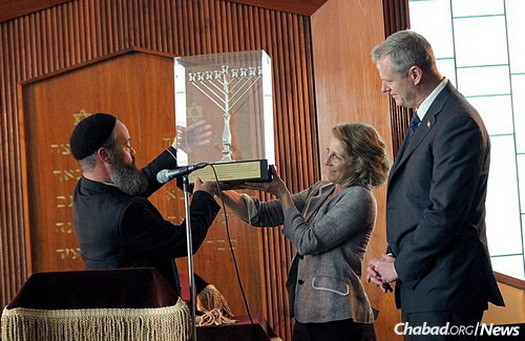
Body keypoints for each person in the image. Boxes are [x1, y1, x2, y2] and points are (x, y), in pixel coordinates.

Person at [366, 30, 505, 339]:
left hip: (446, 289)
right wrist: (393, 257)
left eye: (388, 79)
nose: (383, 88)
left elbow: (444, 213)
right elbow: (414, 202)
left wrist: (400, 267)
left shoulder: (457, 122)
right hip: (428, 286)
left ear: (414, 74)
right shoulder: (431, 118)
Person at [219, 122, 390, 341]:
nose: (326, 161)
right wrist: (216, 189)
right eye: (328, 152)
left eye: (336, 157)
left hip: (339, 319)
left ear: (358, 164)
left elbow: (309, 241)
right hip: (307, 315)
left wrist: (282, 193)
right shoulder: (322, 189)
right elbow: (261, 214)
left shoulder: (359, 198)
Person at [69, 112, 220, 296]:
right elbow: (184, 241)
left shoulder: (86, 189)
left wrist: (178, 149)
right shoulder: (125, 212)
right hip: (143, 313)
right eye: (126, 145)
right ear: (106, 155)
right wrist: (203, 196)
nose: (133, 152)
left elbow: (137, 184)